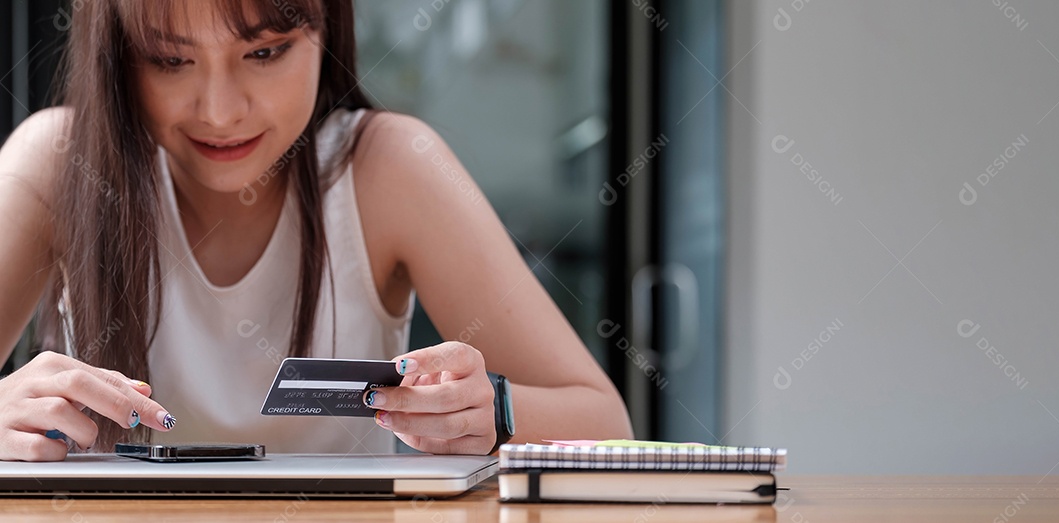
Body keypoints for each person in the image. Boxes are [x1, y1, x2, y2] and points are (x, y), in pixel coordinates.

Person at [0, 0, 632, 461]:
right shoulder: (58, 161)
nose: (221, 111)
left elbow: (607, 425)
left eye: (265, 52)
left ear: (329, 28)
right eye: (170, 60)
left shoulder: (388, 168)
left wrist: (492, 409)